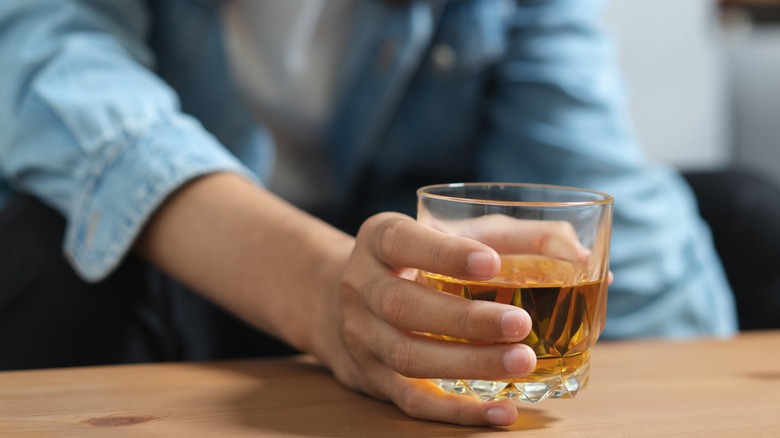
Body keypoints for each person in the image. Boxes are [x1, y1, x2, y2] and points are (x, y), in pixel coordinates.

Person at [0, 0, 737, 427]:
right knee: (48, 257)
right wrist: (325, 293)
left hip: (404, 257)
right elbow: (59, 83)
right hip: (204, 257)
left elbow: (589, 168)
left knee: (748, 212)